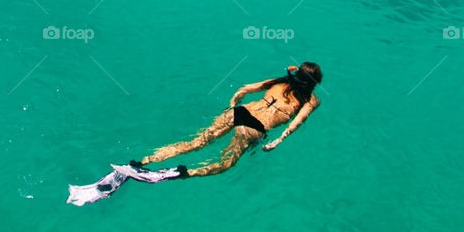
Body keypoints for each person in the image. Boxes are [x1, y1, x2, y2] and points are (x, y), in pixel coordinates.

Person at [132, 61, 322, 178]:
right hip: (254, 128)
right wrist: (279, 140)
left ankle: (145, 160)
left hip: (239, 112)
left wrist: (233, 102)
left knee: (195, 143)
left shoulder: (280, 81)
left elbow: (244, 89)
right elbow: (296, 123)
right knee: (226, 164)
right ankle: (186, 172)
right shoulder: (311, 100)